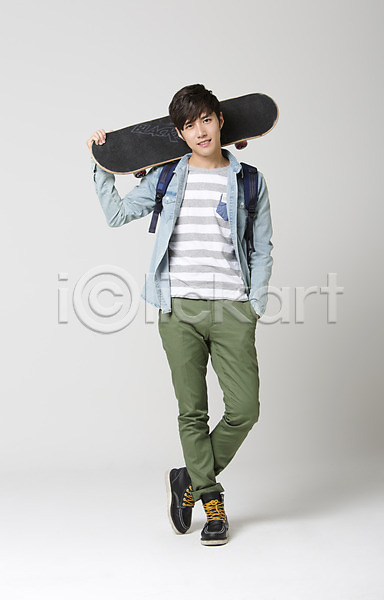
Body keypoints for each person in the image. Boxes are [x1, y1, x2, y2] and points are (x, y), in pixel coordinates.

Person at [87, 84, 273, 546]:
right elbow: (117, 214)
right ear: (179, 134)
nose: (200, 131)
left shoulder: (249, 180)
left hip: (232, 308)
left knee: (244, 410)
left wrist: (254, 304)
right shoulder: (167, 176)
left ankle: (187, 477)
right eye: (189, 125)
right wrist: (102, 165)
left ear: (220, 121)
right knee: (192, 412)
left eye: (206, 119)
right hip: (179, 310)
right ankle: (212, 502)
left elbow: (262, 247)